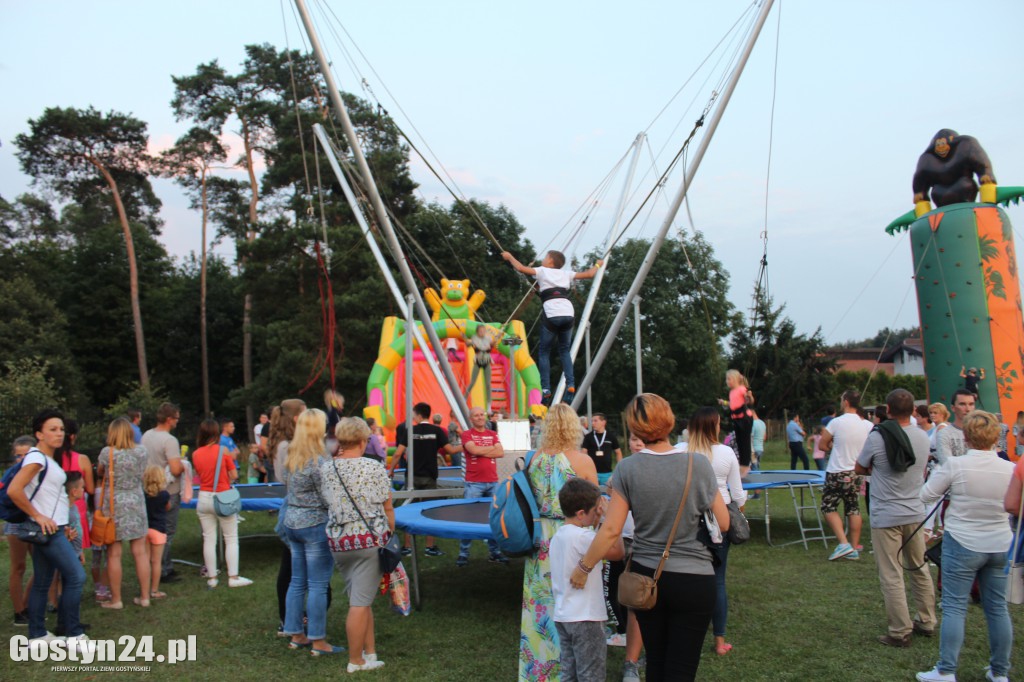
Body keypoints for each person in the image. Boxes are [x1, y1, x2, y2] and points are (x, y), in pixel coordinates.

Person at [570, 394, 728, 682]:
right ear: (668, 420)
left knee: (656, 661)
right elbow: (725, 522)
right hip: (694, 578)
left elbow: (611, 529)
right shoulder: (699, 464)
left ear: (635, 427)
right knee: (682, 667)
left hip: (646, 577)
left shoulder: (628, 468)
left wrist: (584, 567)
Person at [917, 410, 1014, 682]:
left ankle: (946, 670)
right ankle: (999, 672)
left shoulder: (955, 466)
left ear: (967, 437)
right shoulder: (1010, 468)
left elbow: (926, 494)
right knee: (996, 607)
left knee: (954, 607)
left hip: (962, 542)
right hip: (999, 544)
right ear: (996, 437)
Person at [520, 403, 598, 681]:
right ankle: (573, 667)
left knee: (540, 602)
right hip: (570, 533)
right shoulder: (581, 461)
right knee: (572, 600)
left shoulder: (535, 459)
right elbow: (595, 502)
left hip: (541, 536)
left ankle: (539, 669)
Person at [853, 389, 936, 647]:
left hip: (886, 513)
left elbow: (859, 467)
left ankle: (900, 631)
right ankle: (927, 620)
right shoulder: (923, 437)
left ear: (887, 410)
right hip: (914, 510)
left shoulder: (877, 437)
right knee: (919, 567)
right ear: (913, 411)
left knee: (891, 573)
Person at [6, 410, 86, 644]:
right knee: (76, 576)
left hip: (54, 529)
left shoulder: (46, 458)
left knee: (42, 580)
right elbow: (14, 490)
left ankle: (37, 635)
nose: (59, 433)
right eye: (53, 429)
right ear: (39, 434)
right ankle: (73, 633)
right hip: (48, 531)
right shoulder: (37, 458)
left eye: (61, 429)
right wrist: (38, 516)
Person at [321, 417, 392, 673]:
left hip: (339, 542)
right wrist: (389, 532)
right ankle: (356, 661)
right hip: (369, 541)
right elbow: (387, 505)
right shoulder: (373, 467)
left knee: (361, 596)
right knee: (359, 603)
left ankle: (369, 651)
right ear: (363, 440)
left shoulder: (327, 468)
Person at [685, 406, 747, 657]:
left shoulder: (681, 451)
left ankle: (688, 634)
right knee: (717, 580)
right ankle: (719, 640)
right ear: (714, 426)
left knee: (688, 578)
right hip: (718, 521)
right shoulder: (725, 453)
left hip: (688, 520)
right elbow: (738, 494)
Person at [501, 249, 601, 404]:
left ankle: (546, 388)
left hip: (552, 312)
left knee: (544, 351)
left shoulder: (542, 271)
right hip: (568, 312)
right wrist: (598, 264)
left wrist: (509, 257)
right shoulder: (566, 274)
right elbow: (589, 274)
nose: (544, 259)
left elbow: (520, 268)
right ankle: (571, 383)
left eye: (546, 257)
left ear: (551, 262)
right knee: (564, 350)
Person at [281, 408, 342, 656]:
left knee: (297, 582)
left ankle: (296, 633)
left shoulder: (291, 455)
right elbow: (328, 497)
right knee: (317, 584)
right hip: (315, 524)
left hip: (292, 521)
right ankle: (318, 641)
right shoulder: (320, 461)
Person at [550, 478, 624, 682]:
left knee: (570, 674)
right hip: (586, 618)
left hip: (564, 616)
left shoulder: (559, 536)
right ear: (581, 514)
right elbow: (618, 551)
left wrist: (598, 521)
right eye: (594, 511)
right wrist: (610, 518)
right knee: (591, 675)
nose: (596, 514)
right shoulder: (583, 537)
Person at [388, 402, 461, 556]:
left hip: (412, 475)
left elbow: (397, 453)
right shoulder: (437, 431)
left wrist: (391, 470)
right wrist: (468, 445)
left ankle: (408, 547)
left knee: (408, 509)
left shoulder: (410, 430)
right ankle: (429, 547)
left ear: (419, 415)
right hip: (429, 474)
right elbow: (451, 450)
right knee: (429, 510)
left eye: (414, 414)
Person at [97, 417, 151, 610]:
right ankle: (145, 596)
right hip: (136, 501)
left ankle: (117, 599)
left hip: (114, 505)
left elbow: (101, 472)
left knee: (114, 554)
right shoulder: (142, 451)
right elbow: (143, 472)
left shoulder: (107, 452)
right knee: (140, 551)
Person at [191, 418, 252, 589]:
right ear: (216, 433)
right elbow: (233, 474)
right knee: (231, 538)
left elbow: (200, 475)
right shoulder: (223, 451)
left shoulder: (196, 454)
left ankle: (212, 577)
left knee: (208, 539)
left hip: (203, 497)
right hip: (223, 496)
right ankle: (233, 577)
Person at [819, 390, 873, 561]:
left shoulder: (836, 422)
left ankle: (843, 543)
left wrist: (833, 447)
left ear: (847, 402)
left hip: (837, 470)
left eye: (842, 399)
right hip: (857, 472)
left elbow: (822, 445)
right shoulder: (867, 425)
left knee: (828, 507)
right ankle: (854, 546)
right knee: (853, 507)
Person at [268, 399, 307, 633]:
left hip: (295, 507)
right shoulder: (287, 446)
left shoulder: (287, 443)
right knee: (291, 568)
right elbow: (290, 477)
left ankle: (292, 616)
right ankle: (287, 618)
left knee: (292, 566)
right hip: (294, 508)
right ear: (296, 418)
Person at [456, 406, 507, 567]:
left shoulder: (492, 434)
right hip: (474, 483)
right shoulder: (466, 435)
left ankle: (495, 552)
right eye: (476, 415)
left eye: (481, 415)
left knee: (493, 518)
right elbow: (473, 449)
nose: (479, 417)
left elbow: (500, 453)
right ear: (471, 419)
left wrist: (480, 451)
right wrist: (489, 449)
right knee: (468, 519)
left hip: (492, 481)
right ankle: (463, 553)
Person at [141, 402, 184, 583]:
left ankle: (153, 564)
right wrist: (184, 466)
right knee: (167, 531)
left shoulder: (146, 436)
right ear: (169, 419)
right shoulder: (169, 440)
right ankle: (164, 569)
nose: (177, 422)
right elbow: (175, 469)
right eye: (176, 418)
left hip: (148, 488)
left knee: (151, 529)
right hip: (167, 490)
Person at [614, 434, 645, 682]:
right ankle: (631, 657)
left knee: (644, 597)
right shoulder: (623, 468)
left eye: (640, 440)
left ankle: (638, 655)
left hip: (646, 542)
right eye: (633, 439)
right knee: (629, 593)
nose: (636, 443)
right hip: (627, 537)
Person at [5, 435, 36, 627]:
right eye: (18, 455)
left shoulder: (39, 471)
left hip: (36, 524)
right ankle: (19, 612)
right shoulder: (11, 474)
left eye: (26, 455)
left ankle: (26, 604)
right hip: (16, 524)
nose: (22, 459)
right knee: (18, 567)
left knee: (42, 565)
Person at [718, 369, 754, 476]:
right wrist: (723, 402)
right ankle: (742, 465)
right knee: (739, 442)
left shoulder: (741, 389)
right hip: (737, 419)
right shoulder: (732, 392)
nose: (727, 381)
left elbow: (749, 401)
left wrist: (749, 396)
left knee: (745, 442)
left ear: (734, 379)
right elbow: (733, 403)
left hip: (745, 419)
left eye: (729, 379)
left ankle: (746, 465)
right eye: (726, 379)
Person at [143, 465, 170, 601]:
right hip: (159, 530)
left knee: (145, 561)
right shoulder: (164, 495)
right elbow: (168, 507)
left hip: (145, 530)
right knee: (156, 562)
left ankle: (145, 589)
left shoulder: (143, 495)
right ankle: (154, 590)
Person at [581, 412, 623, 487]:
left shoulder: (611, 436)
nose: (593, 423)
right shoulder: (588, 437)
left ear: (603, 422)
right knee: (593, 494)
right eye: (592, 421)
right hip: (592, 472)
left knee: (607, 494)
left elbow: (618, 452)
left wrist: (618, 469)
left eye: (595, 421)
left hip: (606, 474)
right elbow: (583, 452)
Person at [935, 390, 975, 465]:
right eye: (962, 404)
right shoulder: (944, 434)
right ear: (953, 408)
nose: (968, 409)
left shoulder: (982, 432)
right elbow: (946, 465)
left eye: (971, 404)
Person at [464, 323, 497, 411]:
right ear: (477, 332)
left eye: (483, 330)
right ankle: (464, 399)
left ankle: (489, 405)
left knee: (488, 384)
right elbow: (469, 344)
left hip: (486, 361)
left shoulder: (488, 338)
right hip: (478, 361)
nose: (482, 332)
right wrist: (467, 340)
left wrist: (495, 340)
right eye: (480, 331)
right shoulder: (474, 338)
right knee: (472, 382)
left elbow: (493, 344)